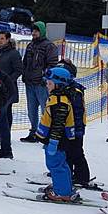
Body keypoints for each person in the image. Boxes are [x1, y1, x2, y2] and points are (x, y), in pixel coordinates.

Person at [35, 67, 76, 202]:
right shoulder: (56, 98)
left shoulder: (60, 102)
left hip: (57, 139)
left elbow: (58, 124)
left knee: (56, 165)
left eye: (50, 83)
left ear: (59, 85)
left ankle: (62, 193)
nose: (47, 86)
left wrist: (53, 141)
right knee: (60, 164)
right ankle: (65, 187)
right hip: (55, 138)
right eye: (47, 83)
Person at [20, 21, 59, 143]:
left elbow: (52, 64)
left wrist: (46, 78)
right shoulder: (30, 45)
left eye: (36, 31)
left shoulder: (49, 46)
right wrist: (24, 74)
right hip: (30, 82)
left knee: (45, 109)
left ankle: (46, 132)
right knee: (31, 110)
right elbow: (25, 61)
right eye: (33, 31)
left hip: (41, 84)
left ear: (41, 31)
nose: (34, 33)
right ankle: (33, 131)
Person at [0, 30, 23, 158]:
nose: (0, 41)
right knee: (2, 118)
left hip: (7, 90)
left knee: (2, 117)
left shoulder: (13, 53)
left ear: (8, 39)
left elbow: (19, 70)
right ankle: (2, 145)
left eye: (2, 38)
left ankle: (4, 147)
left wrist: (7, 80)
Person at [57, 59, 92, 188]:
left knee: (76, 152)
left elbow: (77, 112)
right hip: (65, 128)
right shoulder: (61, 89)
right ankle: (68, 173)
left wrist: (77, 130)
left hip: (75, 128)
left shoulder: (74, 91)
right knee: (66, 152)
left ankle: (82, 177)